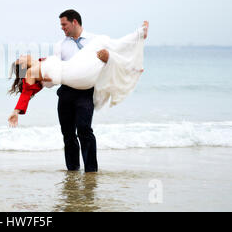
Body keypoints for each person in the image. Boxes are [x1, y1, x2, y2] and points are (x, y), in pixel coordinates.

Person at [8, 9, 149, 172]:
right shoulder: (56, 49)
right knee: (68, 133)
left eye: (64, 24)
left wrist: (107, 58)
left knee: (84, 129)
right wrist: (17, 110)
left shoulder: (91, 40)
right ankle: (73, 169)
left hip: (85, 89)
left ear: (74, 22)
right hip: (67, 89)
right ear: (24, 66)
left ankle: (91, 170)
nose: (62, 28)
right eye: (21, 59)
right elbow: (28, 91)